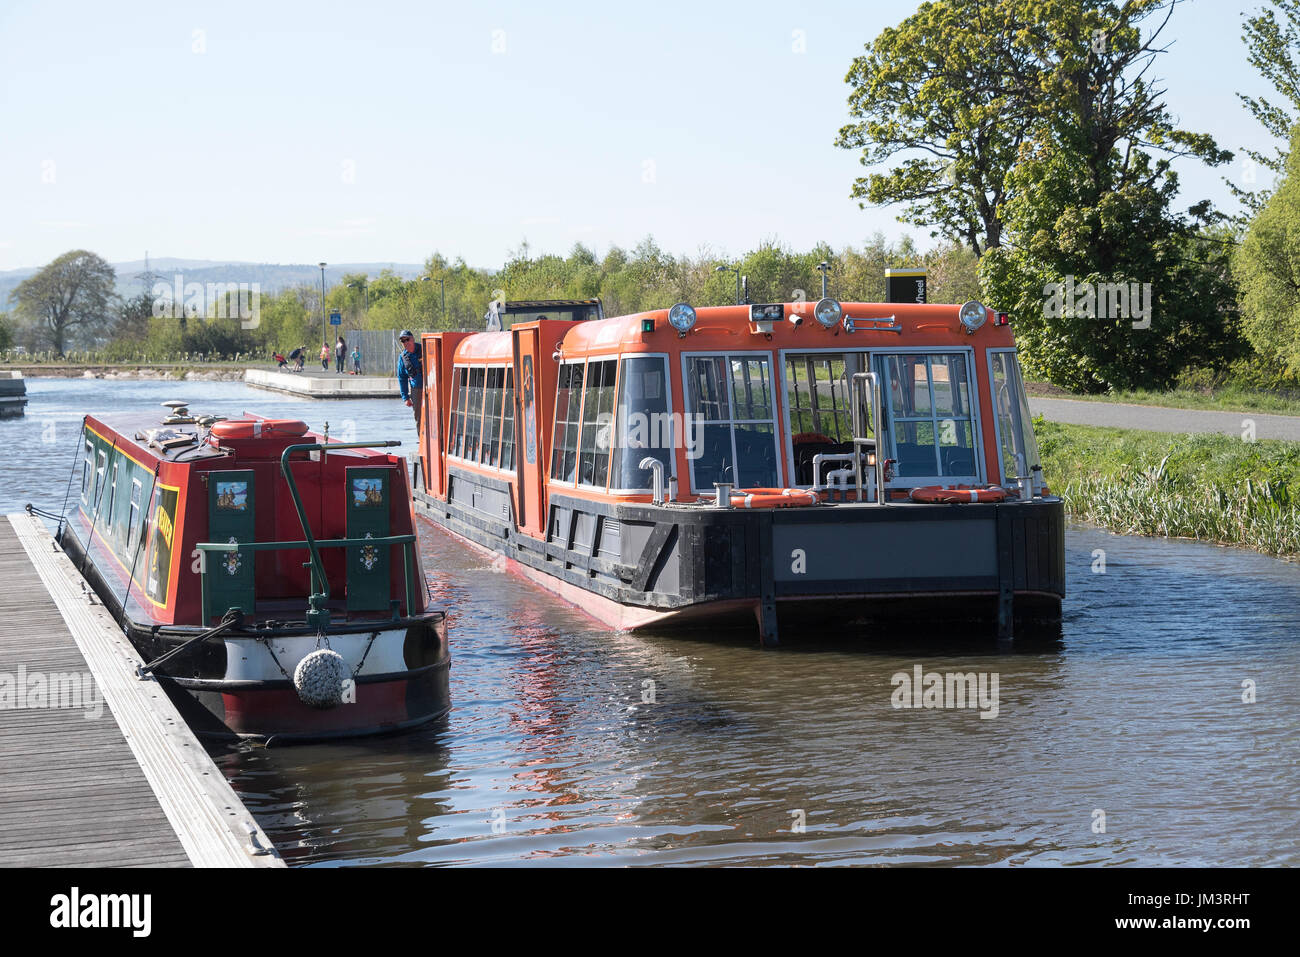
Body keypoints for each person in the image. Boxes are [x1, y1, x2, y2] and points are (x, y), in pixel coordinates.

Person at [397, 330, 423, 428]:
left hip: (431, 386)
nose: (406, 343)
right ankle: (421, 439)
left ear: (412, 339)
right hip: (416, 389)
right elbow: (402, 378)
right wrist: (405, 397)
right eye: (403, 341)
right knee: (419, 416)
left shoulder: (423, 349)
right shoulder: (403, 358)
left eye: (407, 339)